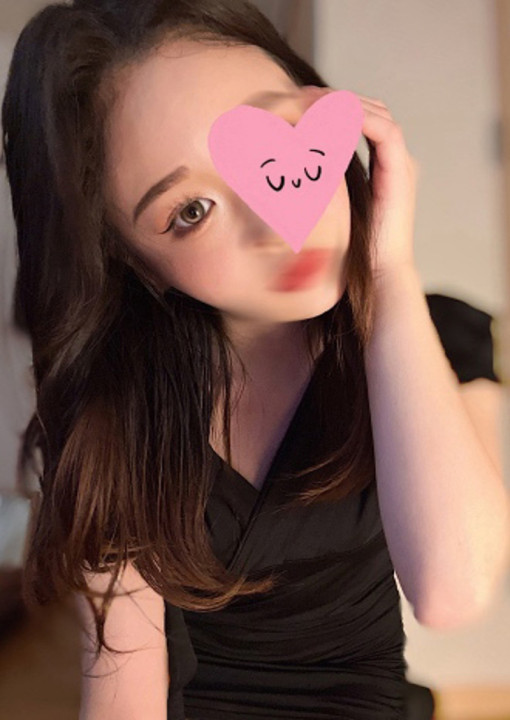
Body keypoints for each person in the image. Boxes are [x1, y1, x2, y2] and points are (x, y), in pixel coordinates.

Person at [2, 1, 509, 718]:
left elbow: (452, 592)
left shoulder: (440, 341)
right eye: (192, 211)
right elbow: (123, 694)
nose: (279, 223)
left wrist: (389, 273)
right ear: (133, 264)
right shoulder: (111, 418)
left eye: (284, 148)